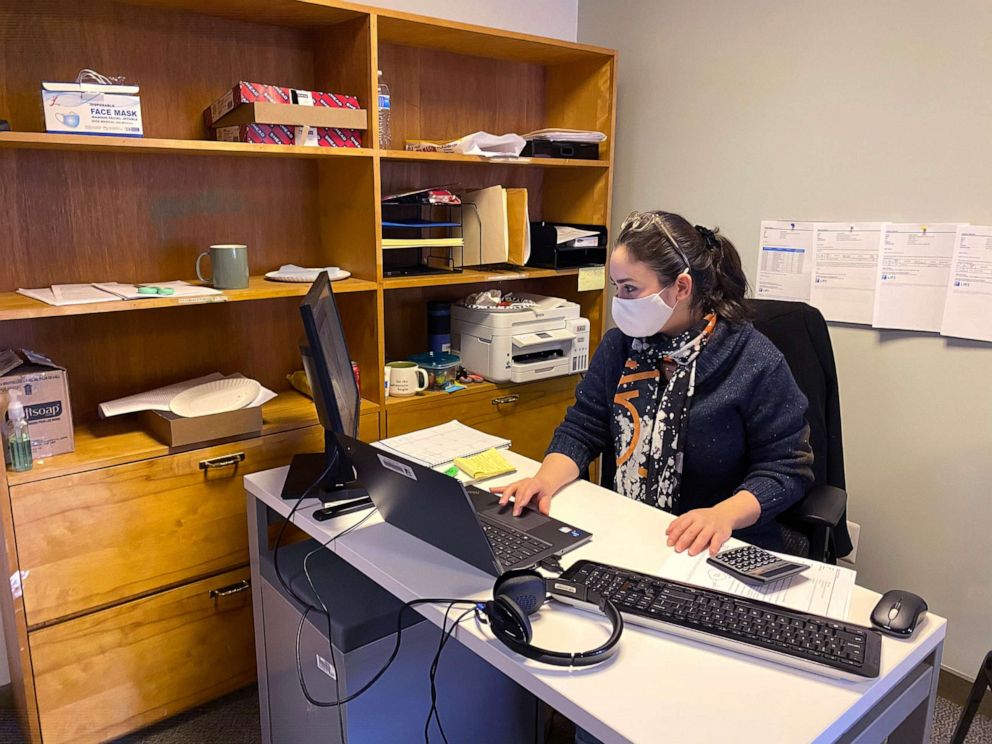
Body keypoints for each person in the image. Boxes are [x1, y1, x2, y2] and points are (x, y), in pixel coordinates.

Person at [493, 210, 814, 556]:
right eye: (617, 287)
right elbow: (583, 429)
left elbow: (786, 467)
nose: (620, 302)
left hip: (718, 544)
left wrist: (723, 515)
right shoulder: (621, 347)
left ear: (681, 287)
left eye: (631, 289)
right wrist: (544, 481)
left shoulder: (753, 360)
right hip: (631, 529)